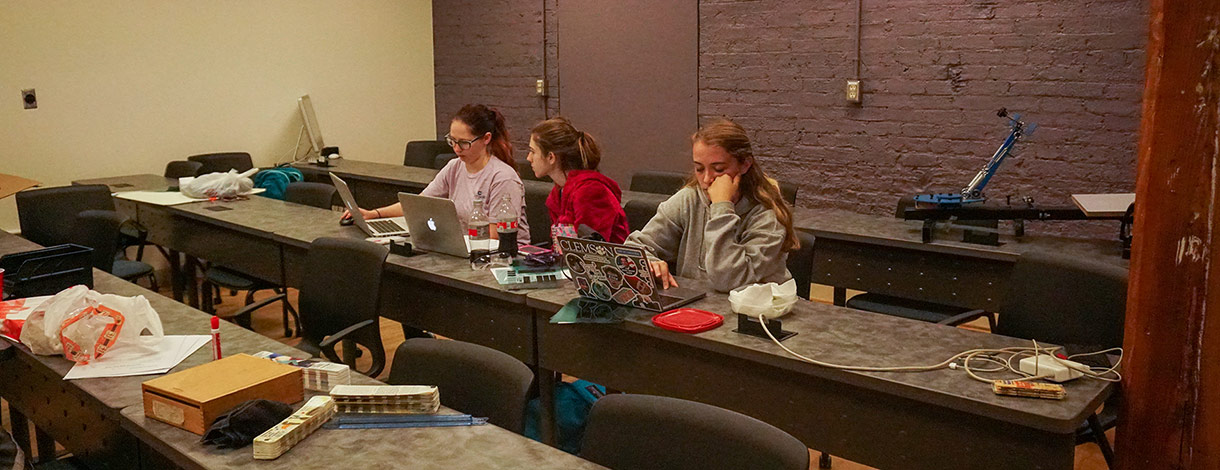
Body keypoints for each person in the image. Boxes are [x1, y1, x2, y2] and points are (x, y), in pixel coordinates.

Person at [625, 118, 799, 292]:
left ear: (745, 165)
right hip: (699, 309)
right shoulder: (688, 199)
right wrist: (649, 263)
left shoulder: (767, 215)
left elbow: (729, 281)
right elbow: (634, 248)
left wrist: (722, 206)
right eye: (699, 169)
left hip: (757, 313)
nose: (707, 179)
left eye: (719, 169)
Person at [349, 104, 529, 243]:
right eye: (452, 141)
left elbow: (498, 233)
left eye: (464, 143)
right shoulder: (454, 167)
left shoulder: (503, 177)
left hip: (499, 256)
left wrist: (448, 234)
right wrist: (374, 214)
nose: (457, 149)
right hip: (466, 248)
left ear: (486, 139)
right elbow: (419, 203)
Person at [526, 117, 629, 244]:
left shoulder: (590, 191)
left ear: (551, 157)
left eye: (532, 151)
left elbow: (591, 247)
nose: (529, 158)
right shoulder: (558, 192)